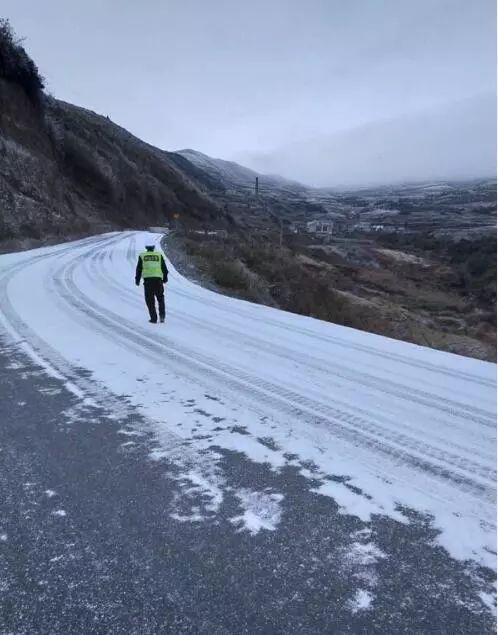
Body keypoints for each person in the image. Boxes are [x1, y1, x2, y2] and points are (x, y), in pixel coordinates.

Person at [135, 245, 168, 323]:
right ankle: (162, 316)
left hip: (148, 281)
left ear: (146, 248)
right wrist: (165, 278)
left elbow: (139, 269)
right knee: (160, 298)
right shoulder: (159, 255)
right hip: (158, 280)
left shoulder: (142, 255)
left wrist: (137, 279)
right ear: (153, 248)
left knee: (150, 300)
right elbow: (164, 268)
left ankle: (153, 318)